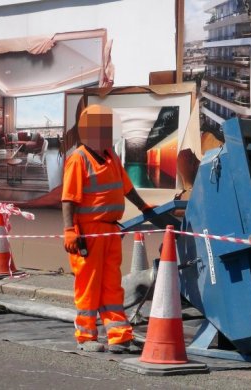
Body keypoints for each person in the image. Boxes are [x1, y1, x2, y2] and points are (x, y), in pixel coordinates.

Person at [62, 104, 153, 353]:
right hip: (88, 234)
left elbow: (126, 187)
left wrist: (144, 207)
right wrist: (70, 230)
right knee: (89, 286)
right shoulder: (78, 158)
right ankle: (86, 336)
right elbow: (68, 198)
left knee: (112, 285)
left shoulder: (111, 156)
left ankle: (119, 335)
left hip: (111, 232)